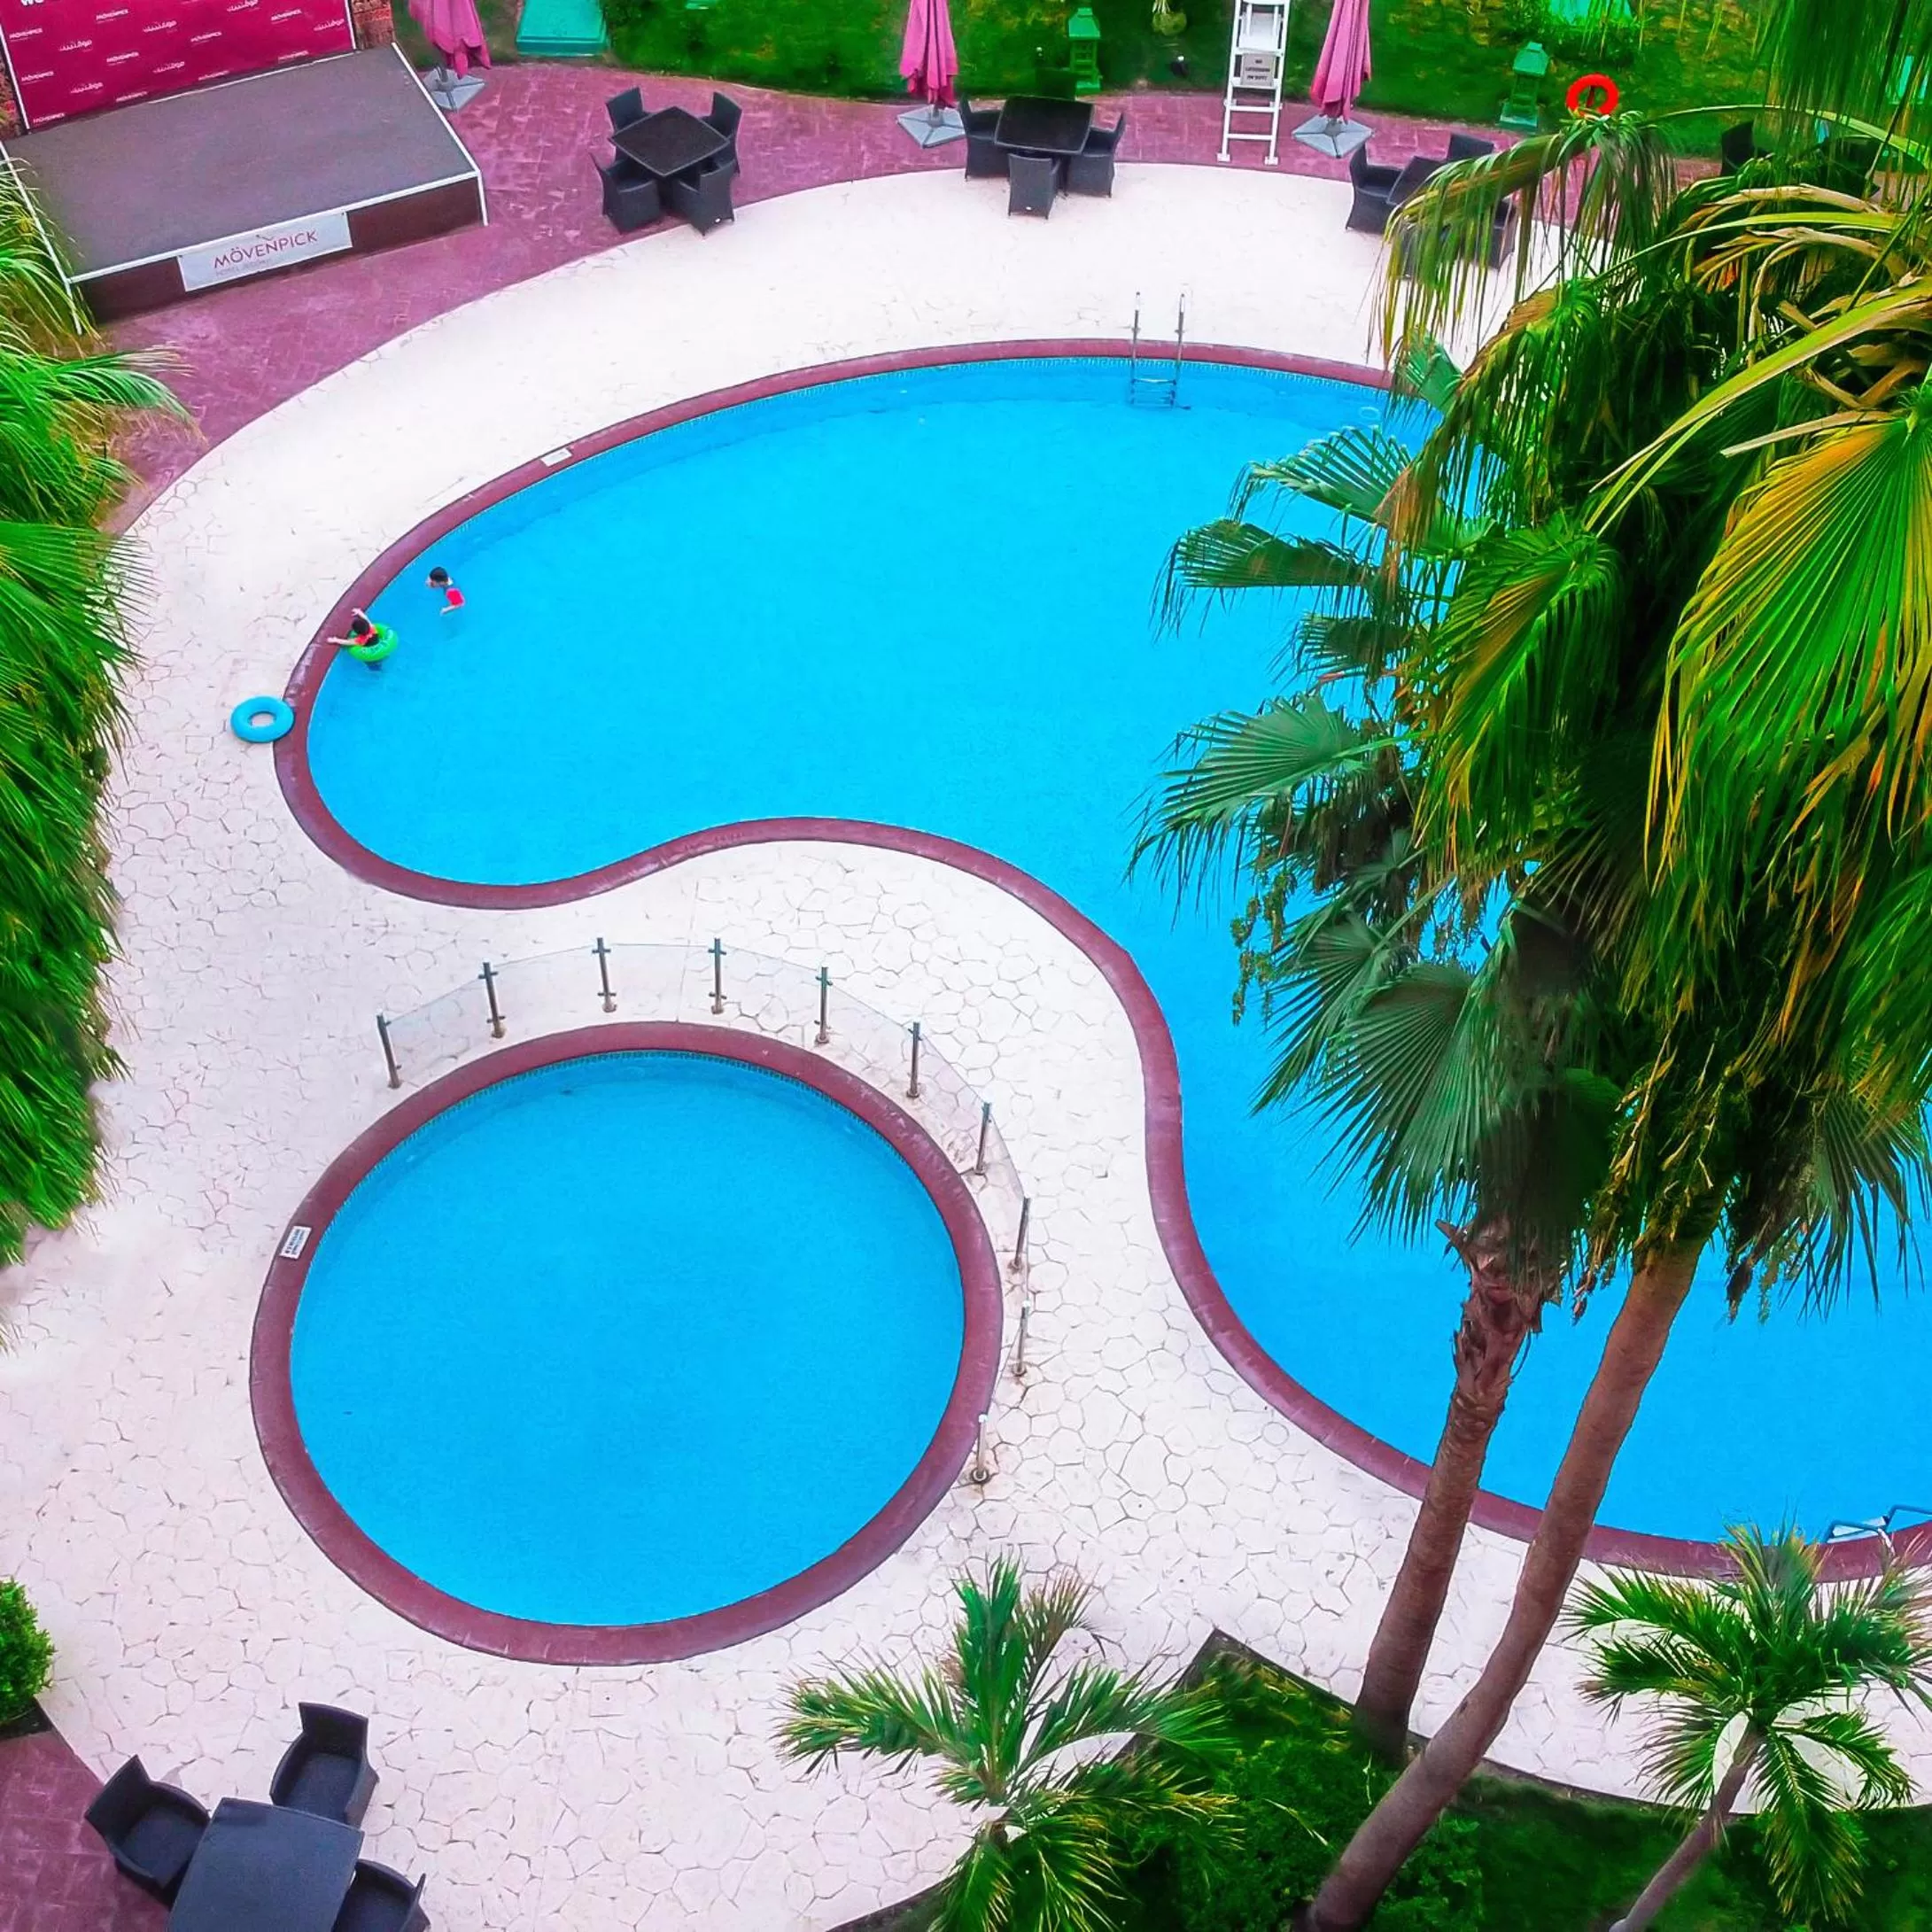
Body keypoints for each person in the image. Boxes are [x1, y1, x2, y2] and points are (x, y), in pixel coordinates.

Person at [329, 609, 399, 668]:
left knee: (372, 665)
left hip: (371, 655)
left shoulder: (360, 640)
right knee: (380, 658)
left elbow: (346, 642)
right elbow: (366, 619)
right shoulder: (373, 628)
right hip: (380, 648)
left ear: (357, 633)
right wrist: (359, 612)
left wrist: (335, 640)